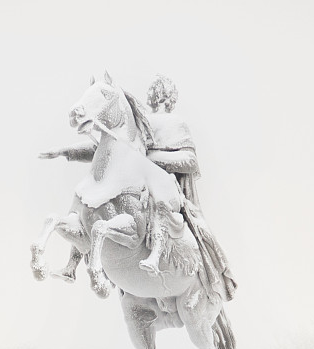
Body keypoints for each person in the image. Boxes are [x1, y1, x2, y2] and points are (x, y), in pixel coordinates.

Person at [41, 76, 236, 302]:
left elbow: (189, 160)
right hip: (132, 175)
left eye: (161, 93)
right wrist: (67, 152)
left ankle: (156, 254)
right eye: (155, 93)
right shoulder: (139, 121)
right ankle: (74, 262)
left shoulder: (175, 123)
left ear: (169, 99)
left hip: (158, 179)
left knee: (159, 200)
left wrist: (149, 160)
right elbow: (104, 149)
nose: (156, 97)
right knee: (88, 200)